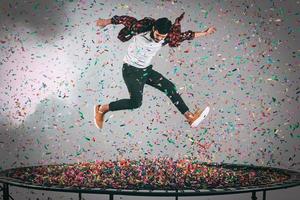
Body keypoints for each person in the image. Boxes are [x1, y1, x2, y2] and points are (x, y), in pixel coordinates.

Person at [95, 12, 216, 129]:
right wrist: (105, 22)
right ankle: (102, 109)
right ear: (153, 28)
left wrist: (205, 33)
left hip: (145, 71)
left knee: (169, 87)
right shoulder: (140, 28)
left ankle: (190, 117)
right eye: (157, 35)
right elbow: (122, 19)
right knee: (136, 103)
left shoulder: (167, 37)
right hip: (130, 70)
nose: (159, 39)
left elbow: (187, 35)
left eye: (162, 37)